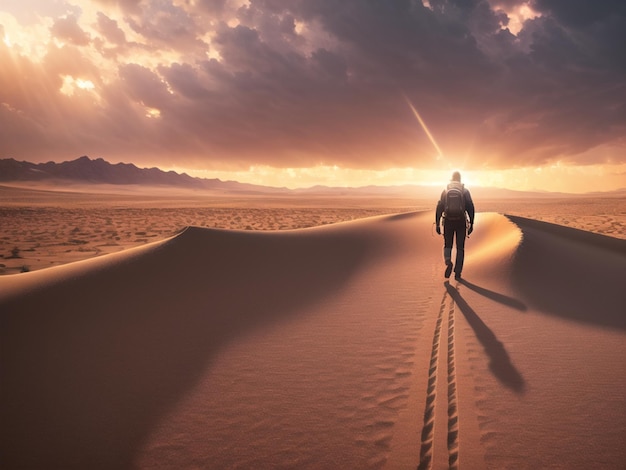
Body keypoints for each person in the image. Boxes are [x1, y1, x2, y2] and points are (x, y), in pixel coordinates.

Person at [435, 171, 475, 280]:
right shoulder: (465, 191)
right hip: (461, 222)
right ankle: (458, 273)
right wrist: (471, 223)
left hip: (448, 221)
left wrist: (437, 224)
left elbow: (439, 207)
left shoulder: (445, 190)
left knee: (448, 244)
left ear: (451, 179)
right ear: (460, 179)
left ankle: (448, 262)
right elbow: (471, 207)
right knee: (460, 247)